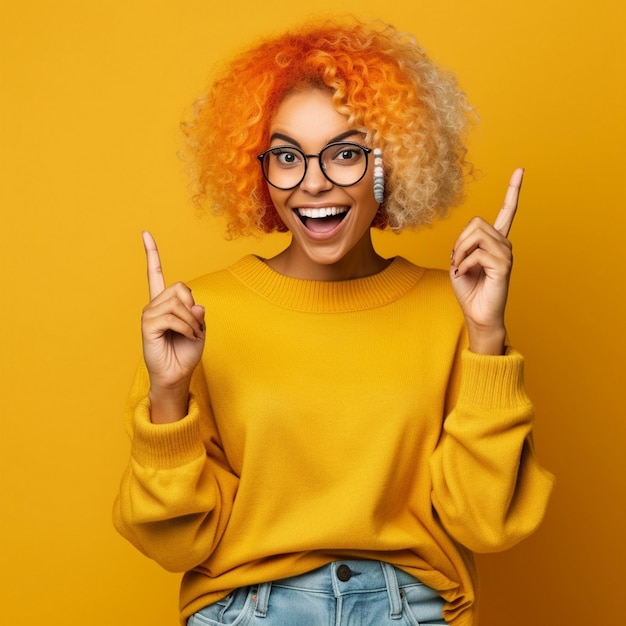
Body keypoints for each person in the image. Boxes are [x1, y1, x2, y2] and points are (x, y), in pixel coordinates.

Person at [113, 17, 554, 626]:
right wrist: (167, 394)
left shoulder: (455, 311)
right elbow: (174, 545)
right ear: (260, 172)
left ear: (389, 164)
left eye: (346, 153)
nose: (314, 182)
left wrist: (486, 337)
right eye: (288, 157)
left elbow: (483, 522)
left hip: (412, 609)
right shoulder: (198, 321)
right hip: (245, 611)